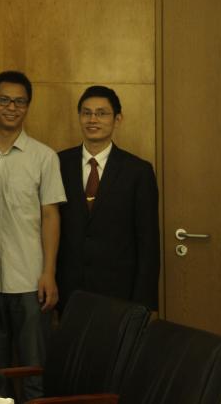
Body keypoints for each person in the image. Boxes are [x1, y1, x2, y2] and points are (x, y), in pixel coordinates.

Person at [0, 71, 65, 400]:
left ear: (28, 106)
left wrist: (49, 272)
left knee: (35, 371)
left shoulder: (44, 157)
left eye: (20, 101)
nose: (11, 107)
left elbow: (50, 216)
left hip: (30, 279)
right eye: (4, 100)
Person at [56, 86, 159, 311]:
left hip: (120, 290)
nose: (93, 119)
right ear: (79, 117)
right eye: (86, 113)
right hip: (69, 289)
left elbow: (148, 242)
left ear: (117, 119)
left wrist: (143, 301)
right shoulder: (58, 163)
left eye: (101, 113)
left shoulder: (138, 171)